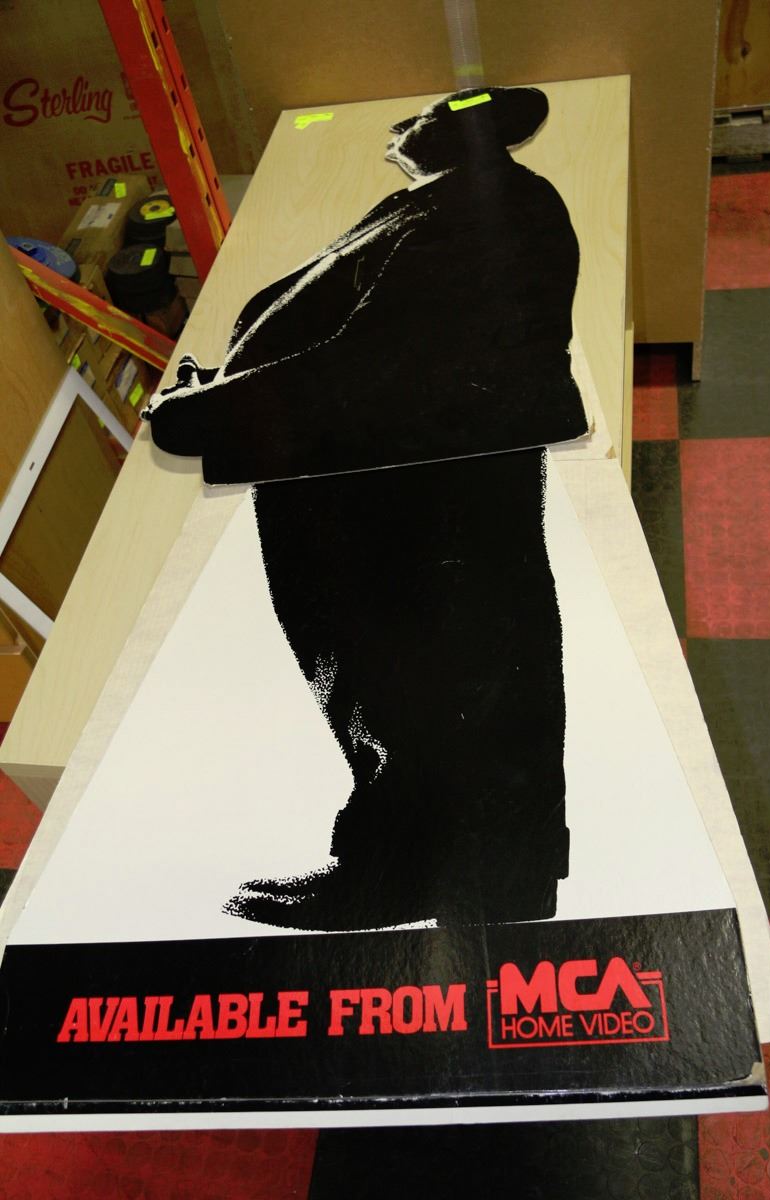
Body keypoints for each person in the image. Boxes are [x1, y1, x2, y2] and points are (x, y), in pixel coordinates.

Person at [143, 87, 588, 931]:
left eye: (415, 121)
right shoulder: (452, 206)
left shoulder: (481, 210)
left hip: (402, 491)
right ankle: (428, 868)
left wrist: (204, 415)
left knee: (417, 680)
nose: (395, 131)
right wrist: (230, 387)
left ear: (461, 131)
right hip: (374, 481)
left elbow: (374, 364)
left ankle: (423, 876)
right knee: (402, 684)